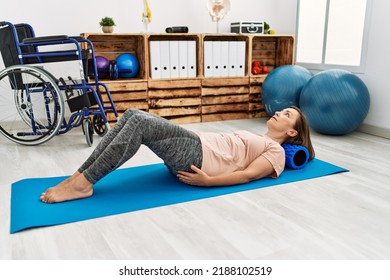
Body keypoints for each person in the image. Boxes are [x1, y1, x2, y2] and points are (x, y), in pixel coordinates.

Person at [40, 106, 315, 203]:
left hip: (198, 158)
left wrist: (209, 182)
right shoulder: (259, 136)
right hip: (196, 144)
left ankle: (82, 184)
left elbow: (247, 175)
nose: (279, 112)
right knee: (133, 116)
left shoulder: (276, 151)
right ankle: (79, 177)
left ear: (292, 133)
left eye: (287, 115)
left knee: (140, 123)